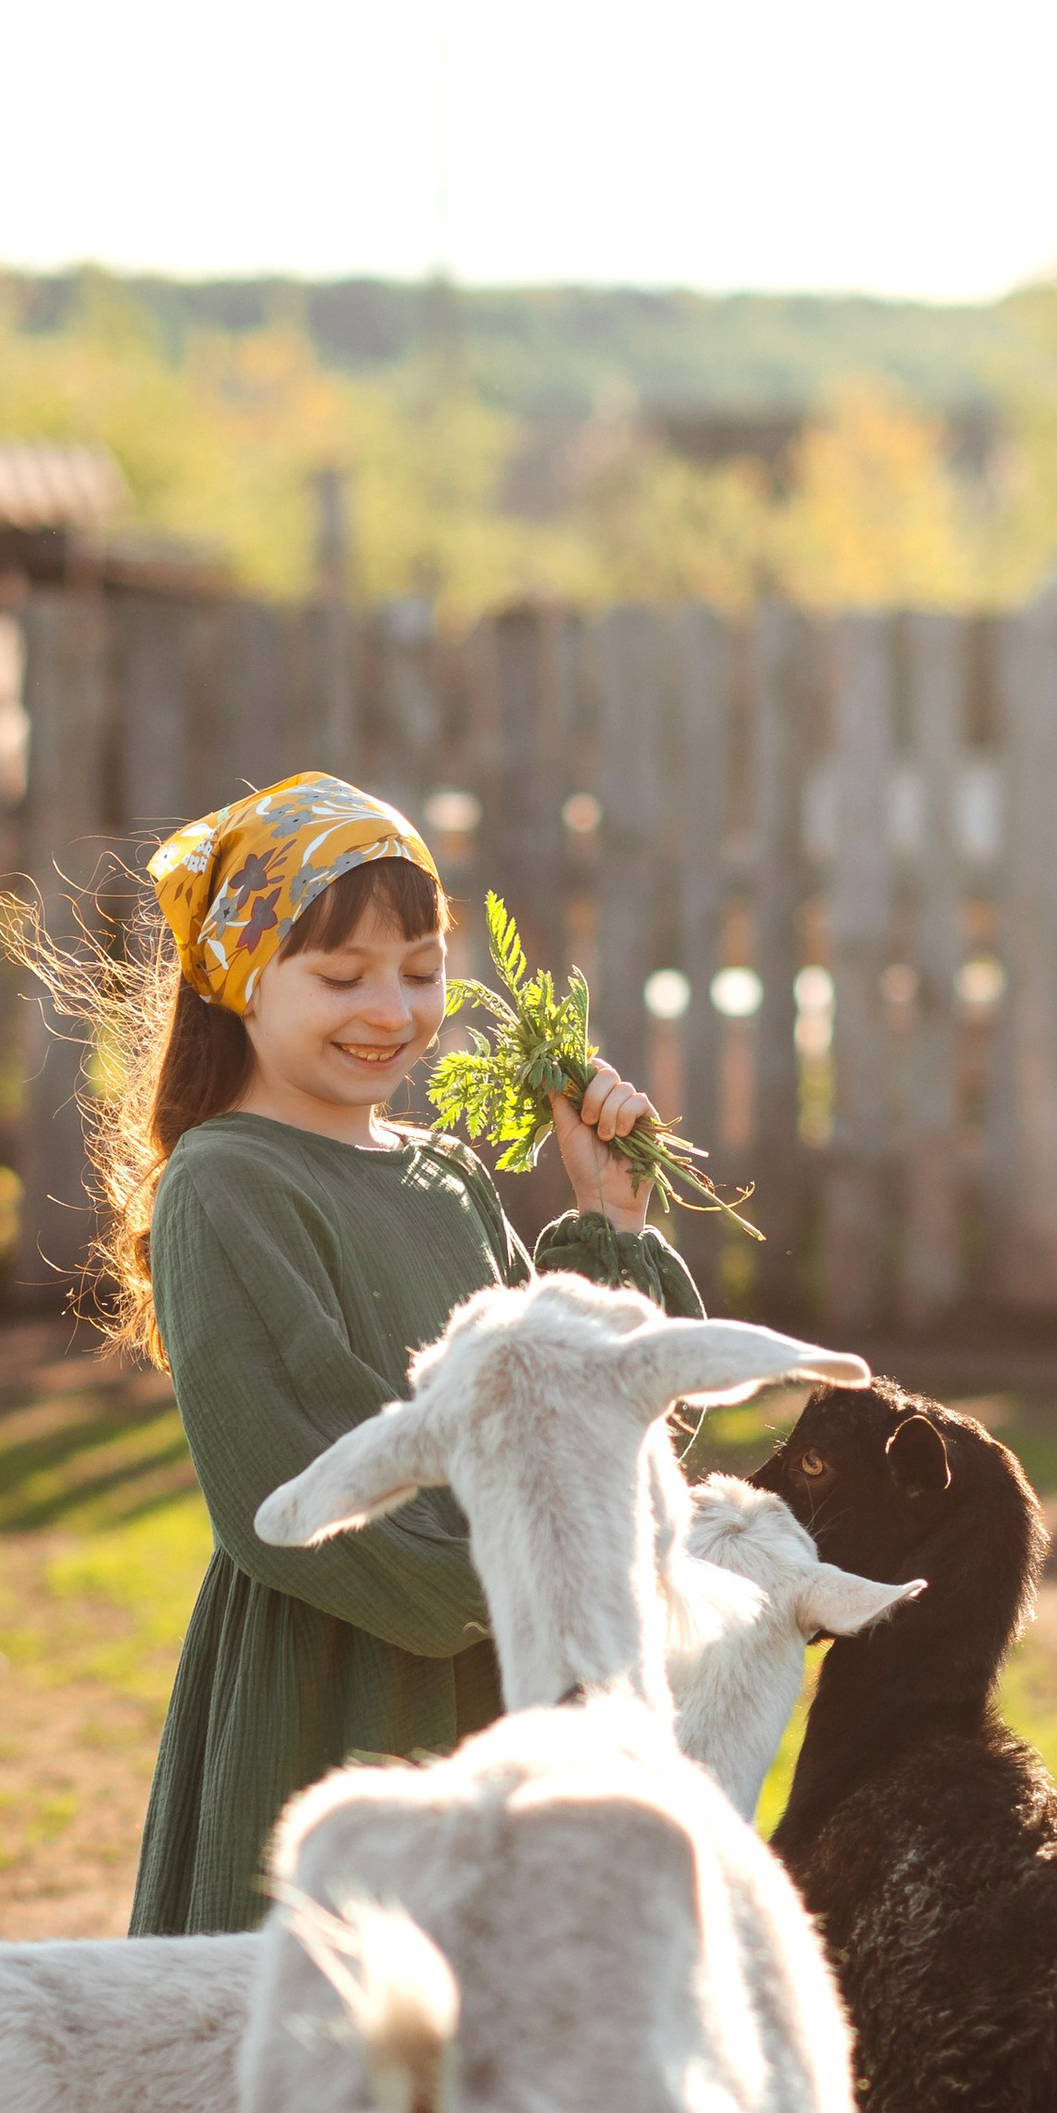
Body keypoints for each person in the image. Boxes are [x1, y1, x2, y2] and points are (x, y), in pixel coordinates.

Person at [104, 769, 708, 1940]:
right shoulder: (225, 1186)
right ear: (238, 976)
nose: (392, 1007)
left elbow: (586, 1431)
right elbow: (295, 1492)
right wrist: (551, 1566)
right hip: (334, 1702)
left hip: (503, 1690)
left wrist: (613, 1224)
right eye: (341, 976)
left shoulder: (450, 1175)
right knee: (322, 2061)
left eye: (421, 970)